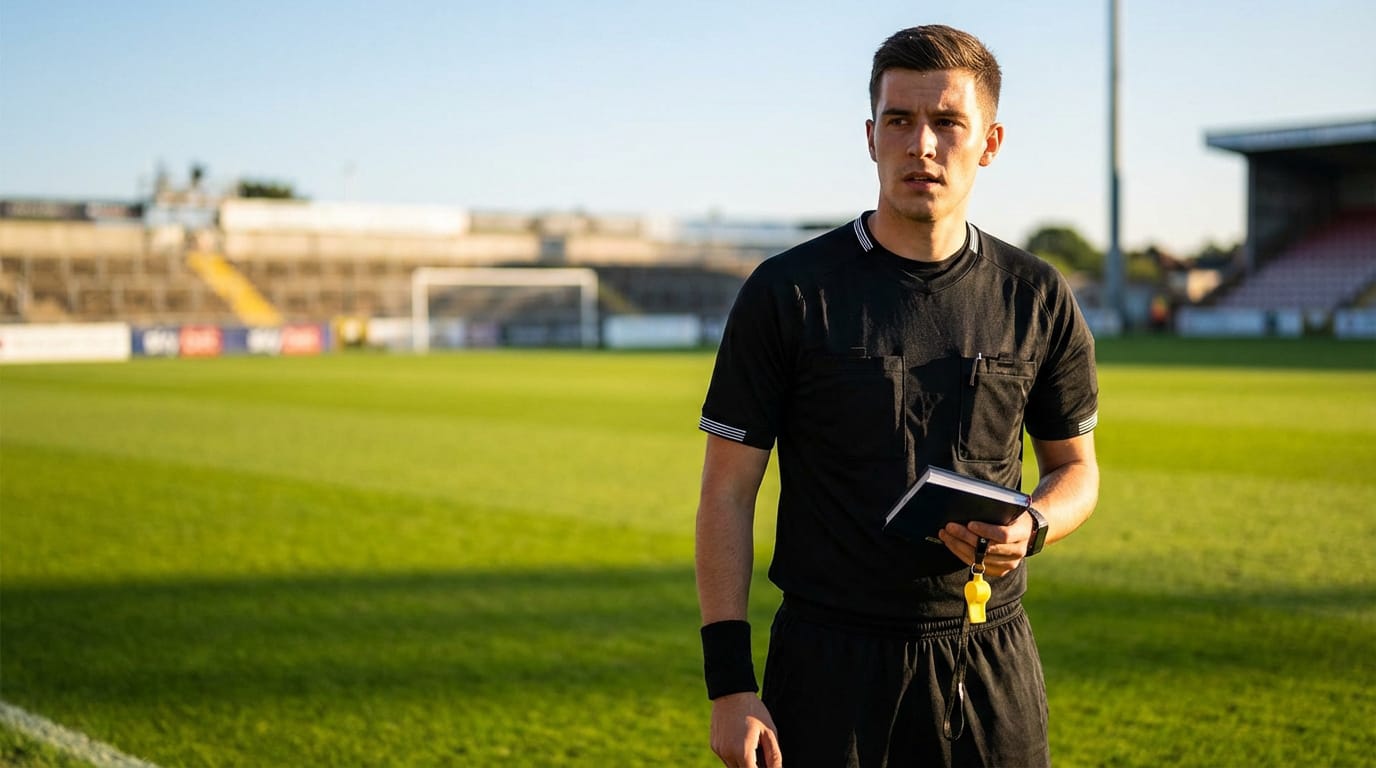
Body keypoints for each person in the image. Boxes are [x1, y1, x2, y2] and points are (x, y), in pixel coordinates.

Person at [694, 24, 1100, 768]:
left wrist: (1034, 525)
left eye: (948, 122)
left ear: (991, 141)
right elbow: (726, 493)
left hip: (988, 658)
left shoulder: (1036, 294)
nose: (922, 144)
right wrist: (729, 684)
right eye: (900, 120)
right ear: (870, 134)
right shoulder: (788, 293)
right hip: (827, 664)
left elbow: (1078, 470)